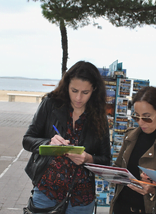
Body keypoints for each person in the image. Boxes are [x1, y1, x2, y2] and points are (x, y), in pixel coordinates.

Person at [23, 61, 111, 213]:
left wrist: (88, 158)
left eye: (85, 93)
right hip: (46, 192)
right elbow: (27, 140)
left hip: (81, 200)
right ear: (67, 85)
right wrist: (48, 143)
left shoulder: (99, 116)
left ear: (94, 90)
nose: (78, 98)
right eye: (74, 90)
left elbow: (106, 160)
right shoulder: (50, 104)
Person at [110, 86, 156, 214]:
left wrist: (154, 188)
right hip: (121, 208)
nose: (141, 122)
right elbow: (118, 167)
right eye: (136, 117)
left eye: (147, 117)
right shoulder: (130, 136)